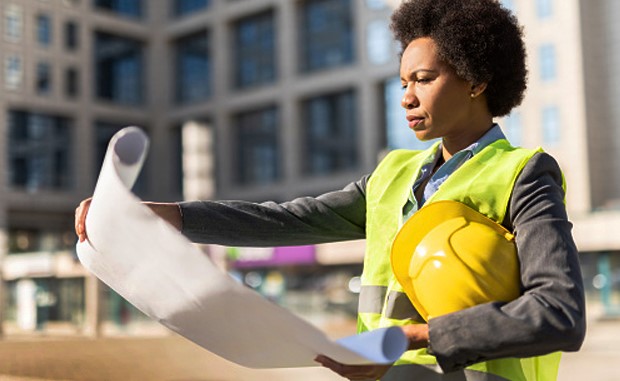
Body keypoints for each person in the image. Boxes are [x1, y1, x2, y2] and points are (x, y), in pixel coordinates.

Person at [75, 0, 586, 380]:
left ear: (476, 80)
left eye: (423, 79)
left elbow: (559, 313)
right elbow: (287, 220)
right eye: (402, 81)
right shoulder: (392, 175)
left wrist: (424, 338)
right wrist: (167, 215)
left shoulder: (524, 173)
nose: (406, 96)